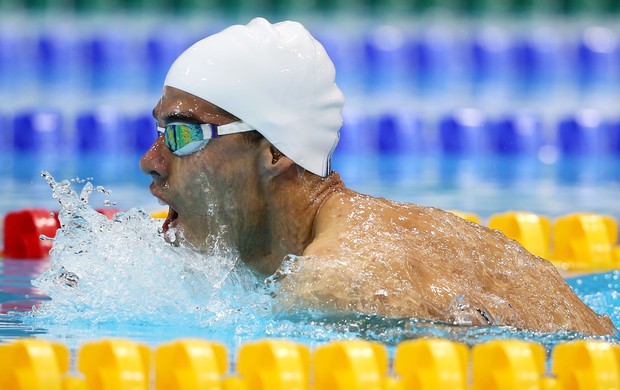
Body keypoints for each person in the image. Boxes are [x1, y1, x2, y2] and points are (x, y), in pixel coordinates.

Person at [140, 17, 615, 335]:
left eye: (182, 134)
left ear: (276, 150)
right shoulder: (408, 233)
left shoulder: (334, 286)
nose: (151, 159)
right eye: (159, 130)